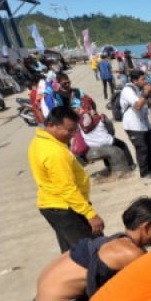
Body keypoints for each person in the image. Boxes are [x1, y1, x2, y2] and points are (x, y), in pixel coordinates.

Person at [28, 106, 105, 252]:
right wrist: (90, 214)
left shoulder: (40, 140)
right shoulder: (55, 153)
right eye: (69, 130)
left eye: (75, 130)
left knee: (70, 250)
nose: (72, 135)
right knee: (91, 251)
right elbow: (67, 188)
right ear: (51, 125)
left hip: (52, 205)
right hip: (65, 207)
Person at [120, 69, 151, 177]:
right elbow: (137, 105)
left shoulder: (141, 89)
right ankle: (144, 173)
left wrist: (150, 94)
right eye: (142, 79)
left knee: (150, 147)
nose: (145, 81)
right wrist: (145, 93)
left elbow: (149, 105)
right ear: (135, 80)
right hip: (133, 125)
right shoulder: (128, 90)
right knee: (142, 149)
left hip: (144, 123)